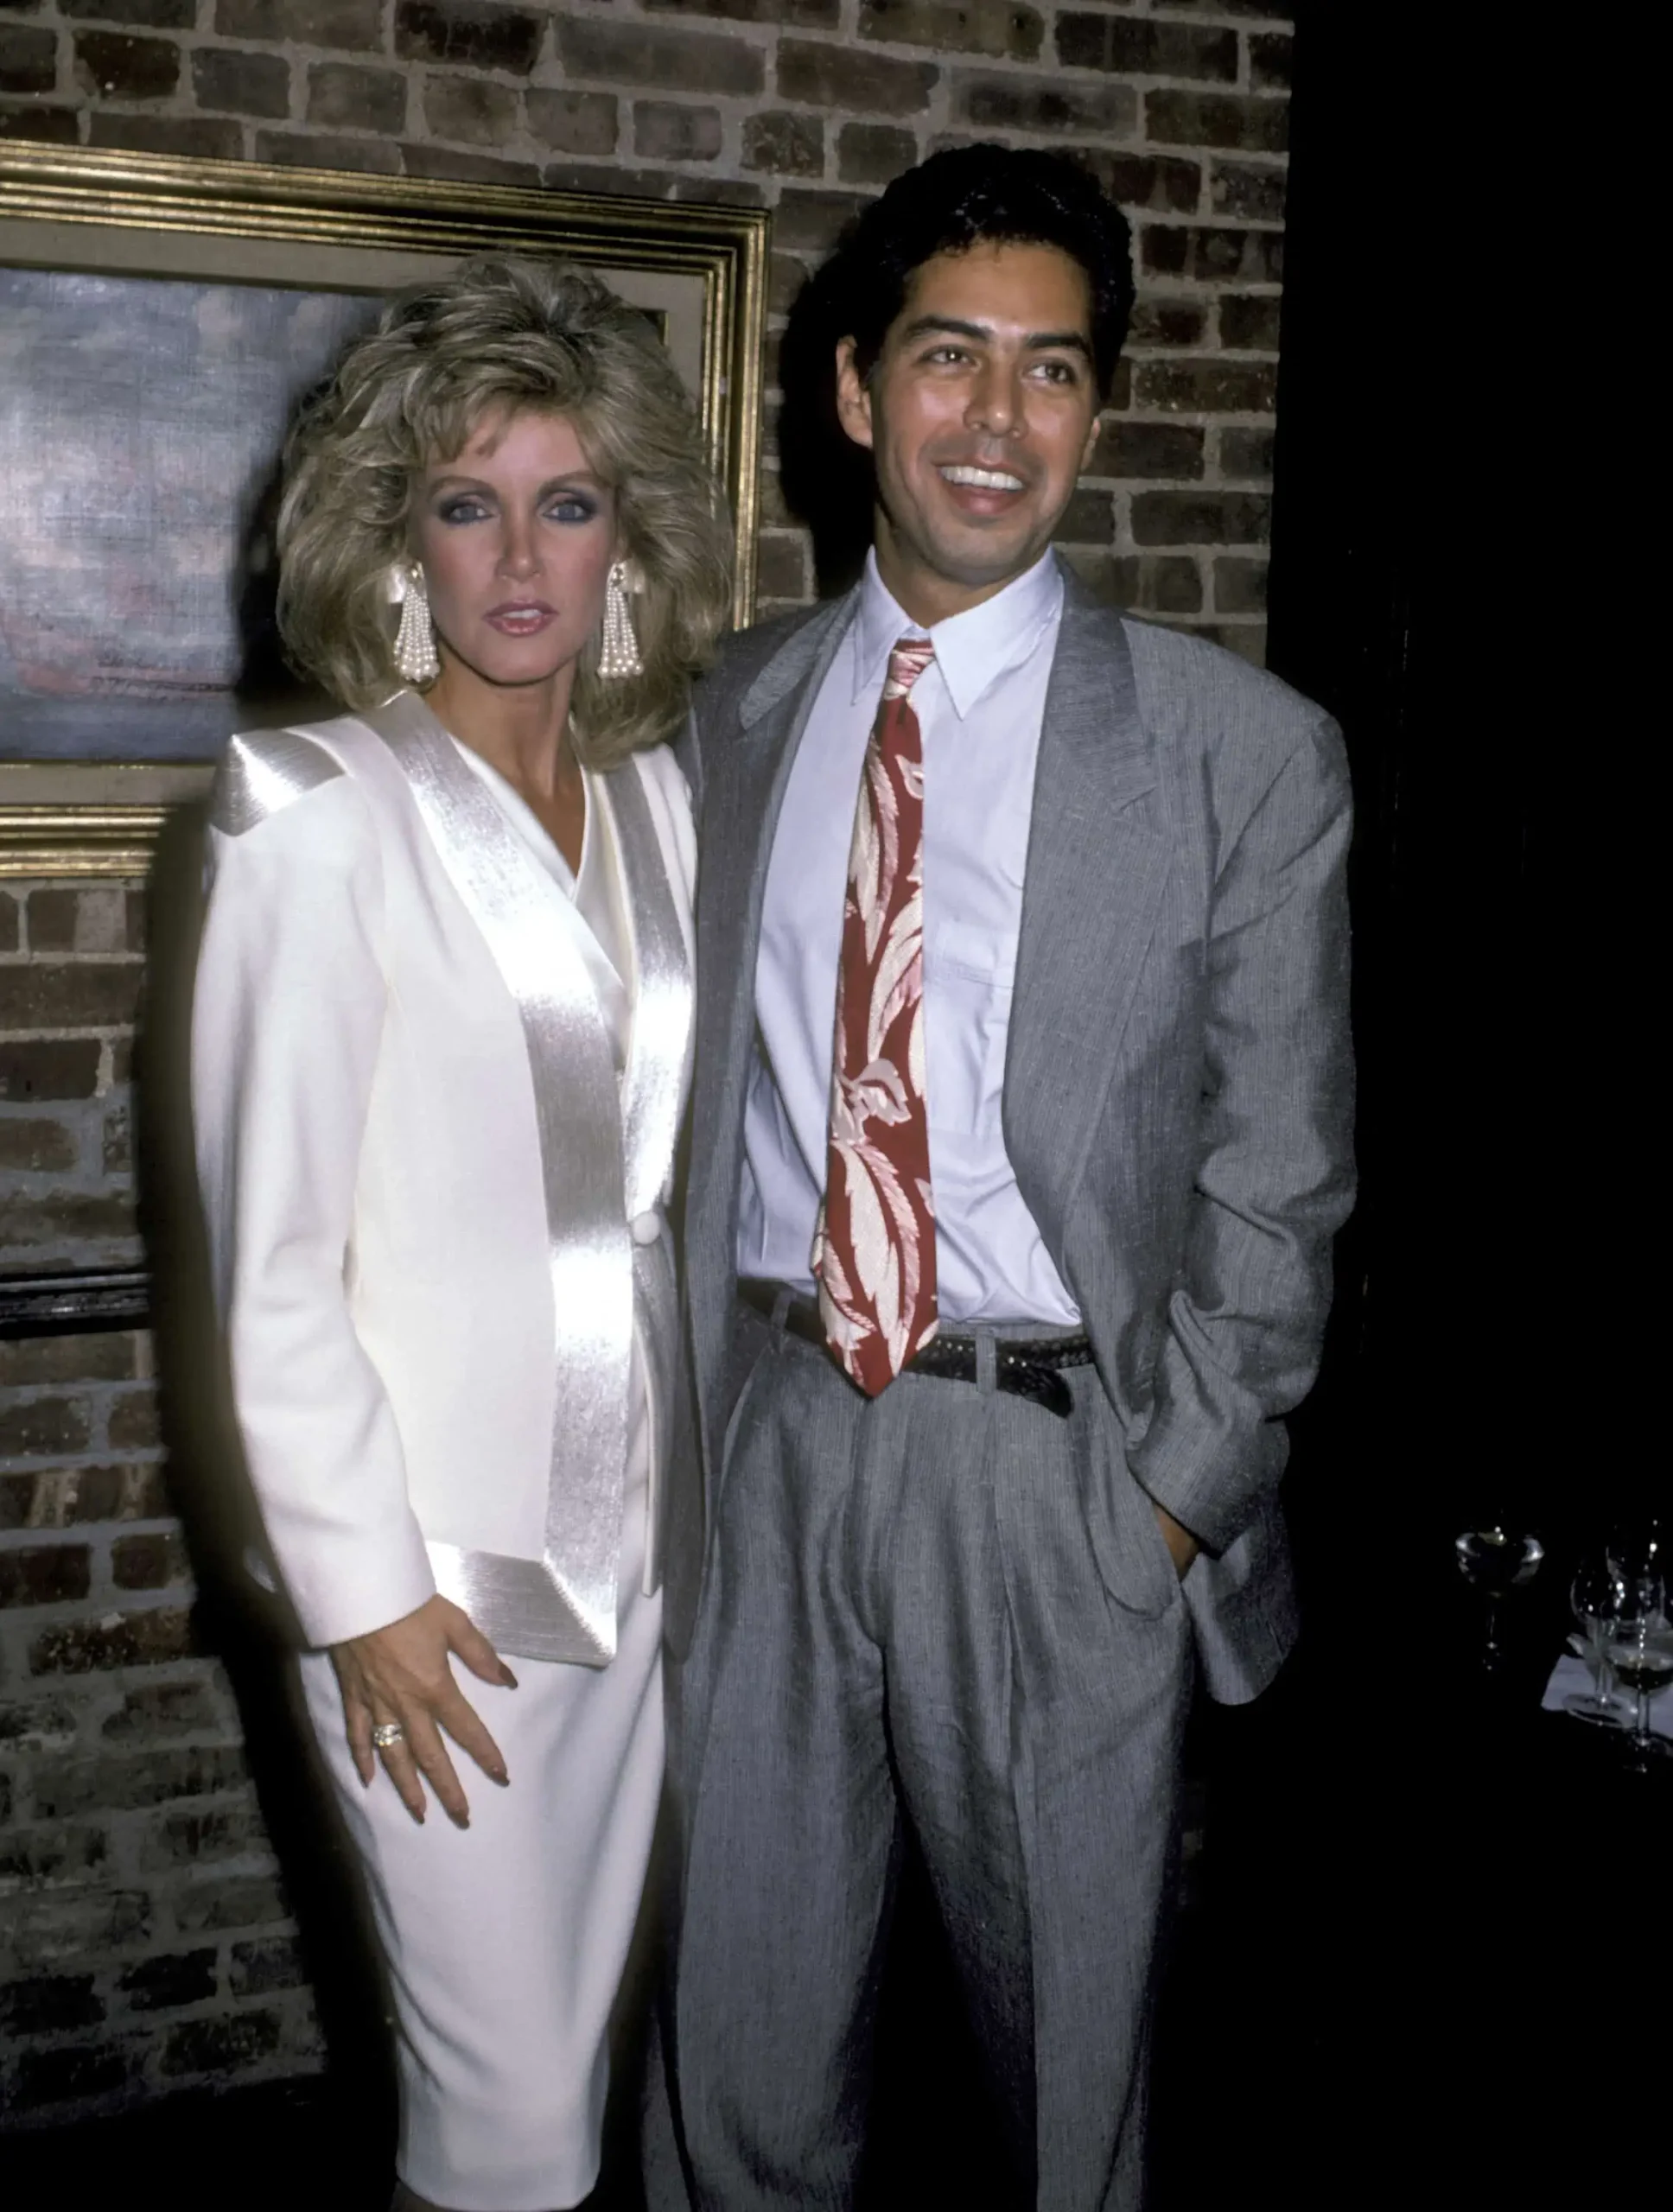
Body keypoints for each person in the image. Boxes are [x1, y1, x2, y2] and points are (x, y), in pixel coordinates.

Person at [649, 147, 1355, 2209]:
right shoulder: (737, 714)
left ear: (1093, 417)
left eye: (1050, 374)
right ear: (857, 390)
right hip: (776, 1431)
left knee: (1067, 2077)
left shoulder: (1239, 751)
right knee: (738, 2045)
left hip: (1055, 1466)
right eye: (950, 359)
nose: (996, 418)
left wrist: (1169, 1492)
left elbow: (1284, 1170)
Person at [191, 257, 732, 2212]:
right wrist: (358, 1596)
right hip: (438, 1599)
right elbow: (271, 1266)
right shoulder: (311, 813)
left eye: (566, 501)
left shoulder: (663, 805)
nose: (521, 554)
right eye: (467, 500)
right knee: (495, 2127)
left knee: (575, 2088)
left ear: (627, 540)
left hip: (649, 1571)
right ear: (397, 536)